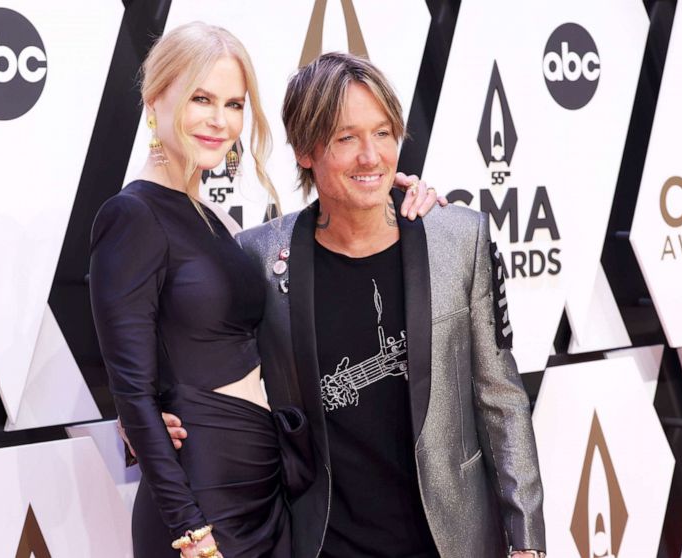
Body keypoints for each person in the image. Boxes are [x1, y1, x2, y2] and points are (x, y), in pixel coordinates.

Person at [159, 52, 546, 557]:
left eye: (383, 133)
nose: (371, 156)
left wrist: (527, 543)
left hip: (451, 541)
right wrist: (146, 416)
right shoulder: (256, 257)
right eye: (346, 138)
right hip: (323, 542)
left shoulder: (457, 239)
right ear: (305, 150)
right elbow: (199, 367)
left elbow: (502, 400)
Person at [91, 24, 442, 558]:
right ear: (154, 97)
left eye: (233, 104)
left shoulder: (215, 222)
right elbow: (133, 392)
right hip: (205, 506)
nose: (219, 120)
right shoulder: (131, 215)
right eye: (200, 99)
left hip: (267, 498)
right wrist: (191, 531)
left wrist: (377, 189)